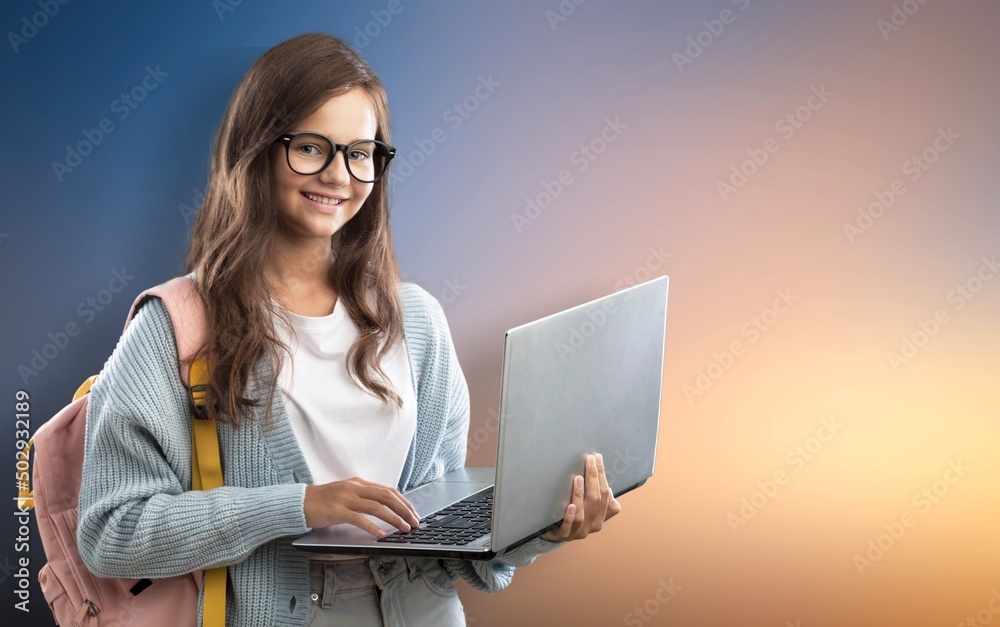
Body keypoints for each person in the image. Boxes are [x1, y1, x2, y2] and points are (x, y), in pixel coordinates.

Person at [77, 32, 621, 626]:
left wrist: (544, 527)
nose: (339, 175)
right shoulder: (177, 327)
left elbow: (445, 541)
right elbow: (112, 532)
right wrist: (299, 506)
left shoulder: (416, 320)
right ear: (256, 148)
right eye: (312, 147)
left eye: (361, 153)